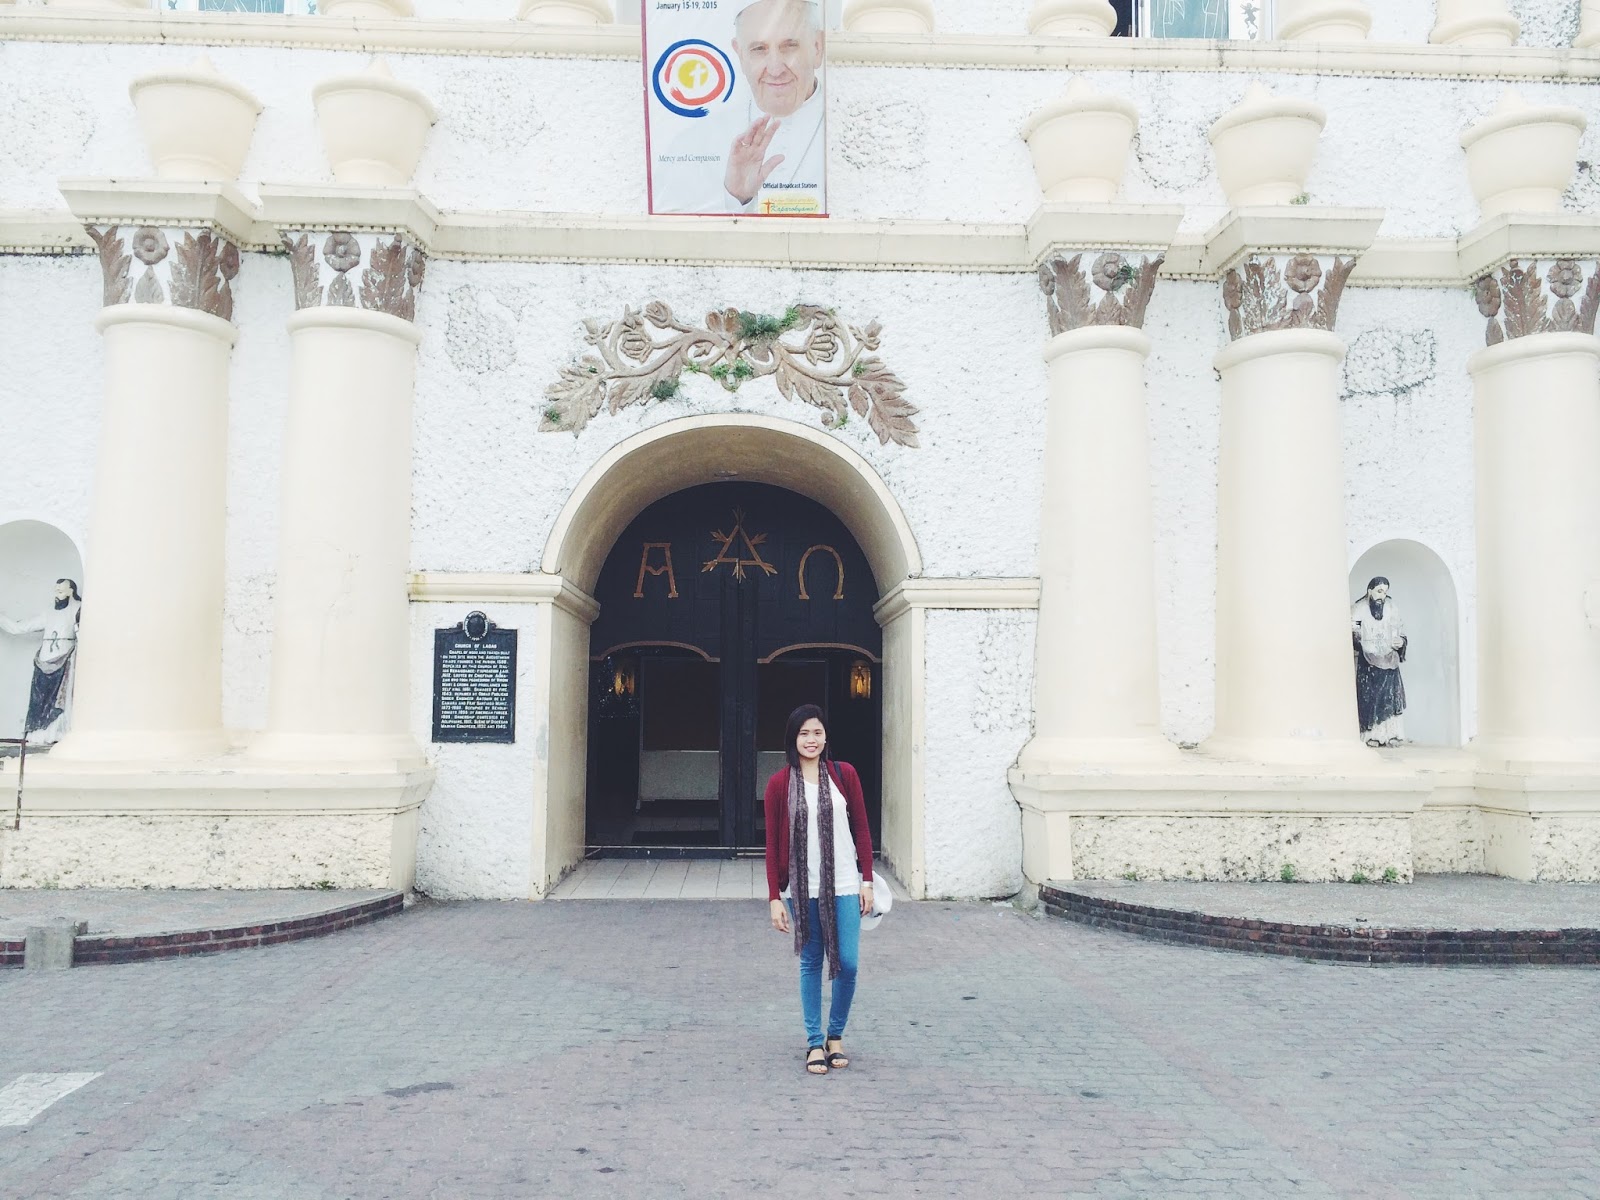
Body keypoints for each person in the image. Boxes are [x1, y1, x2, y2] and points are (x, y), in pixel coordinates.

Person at [765, 703, 874, 1076]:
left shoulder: (845, 774)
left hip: (844, 883)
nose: (811, 740)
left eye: (817, 732)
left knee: (848, 962)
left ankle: (835, 1035)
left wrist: (867, 879)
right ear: (792, 739)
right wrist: (774, 898)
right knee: (812, 961)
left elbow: (862, 829)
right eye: (803, 733)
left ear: (826, 737)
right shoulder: (779, 784)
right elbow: (772, 846)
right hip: (802, 887)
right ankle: (814, 1041)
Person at [720, 0, 826, 214]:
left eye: (790, 46)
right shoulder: (698, 138)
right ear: (740, 55)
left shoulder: (855, 129)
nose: (776, 70)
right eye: (759, 49)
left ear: (817, 47)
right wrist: (737, 197)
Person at [0, 578, 82, 745]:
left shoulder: (78, 609)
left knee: (60, 699)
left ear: (71, 592)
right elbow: (20, 627)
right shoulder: (49, 613)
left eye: (61, 590)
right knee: (40, 700)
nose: (57, 594)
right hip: (43, 661)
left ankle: (57, 732)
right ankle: (39, 734)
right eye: (56, 590)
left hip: (65, 660)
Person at [1352, 576, 1406, 747]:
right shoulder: (1359, 608)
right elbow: (1353, 632)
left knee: (1390, 698)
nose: (1382, 596)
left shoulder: (1391, 607)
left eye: (1385, 592)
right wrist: (1360, 641)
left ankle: (1392, 735)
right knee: (1371, 698)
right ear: (1370, 591)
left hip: (1389, 659)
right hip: (1368, 661)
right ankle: (1372, 735)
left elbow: (1400, 631)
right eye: (1379, 591)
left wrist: (1401, 642)